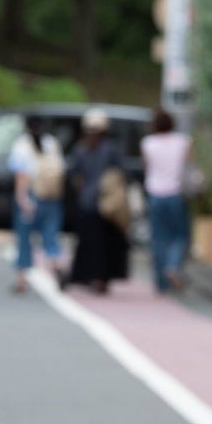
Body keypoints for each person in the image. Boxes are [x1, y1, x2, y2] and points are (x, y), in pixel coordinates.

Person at [63, 108, 129, 294]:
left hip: (89, 202)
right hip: (105, 203)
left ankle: (88, 276)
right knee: (105, 244)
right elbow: (122, 172)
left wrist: (82, 188)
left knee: (89, 243)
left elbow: (73, 174)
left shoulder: (81, 148)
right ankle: (100, 278)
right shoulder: (110, 149)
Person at [7, 115, 64, 293]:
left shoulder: (21, 145)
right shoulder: (52, 143)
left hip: (30, 194)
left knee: (24, 238)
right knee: (50, 234)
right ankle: (55, 264)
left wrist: (21, 198)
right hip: (50, 195)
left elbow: (21, 176)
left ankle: (22, 279)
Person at [141, 107, 191, 294]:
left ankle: (161, 282)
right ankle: (173, 265)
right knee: (179, 235)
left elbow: (147, 167)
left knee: (158, 238)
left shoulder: (148, 143)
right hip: (176, 193)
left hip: (155, 193)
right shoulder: (182, 141)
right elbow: (188, 167)